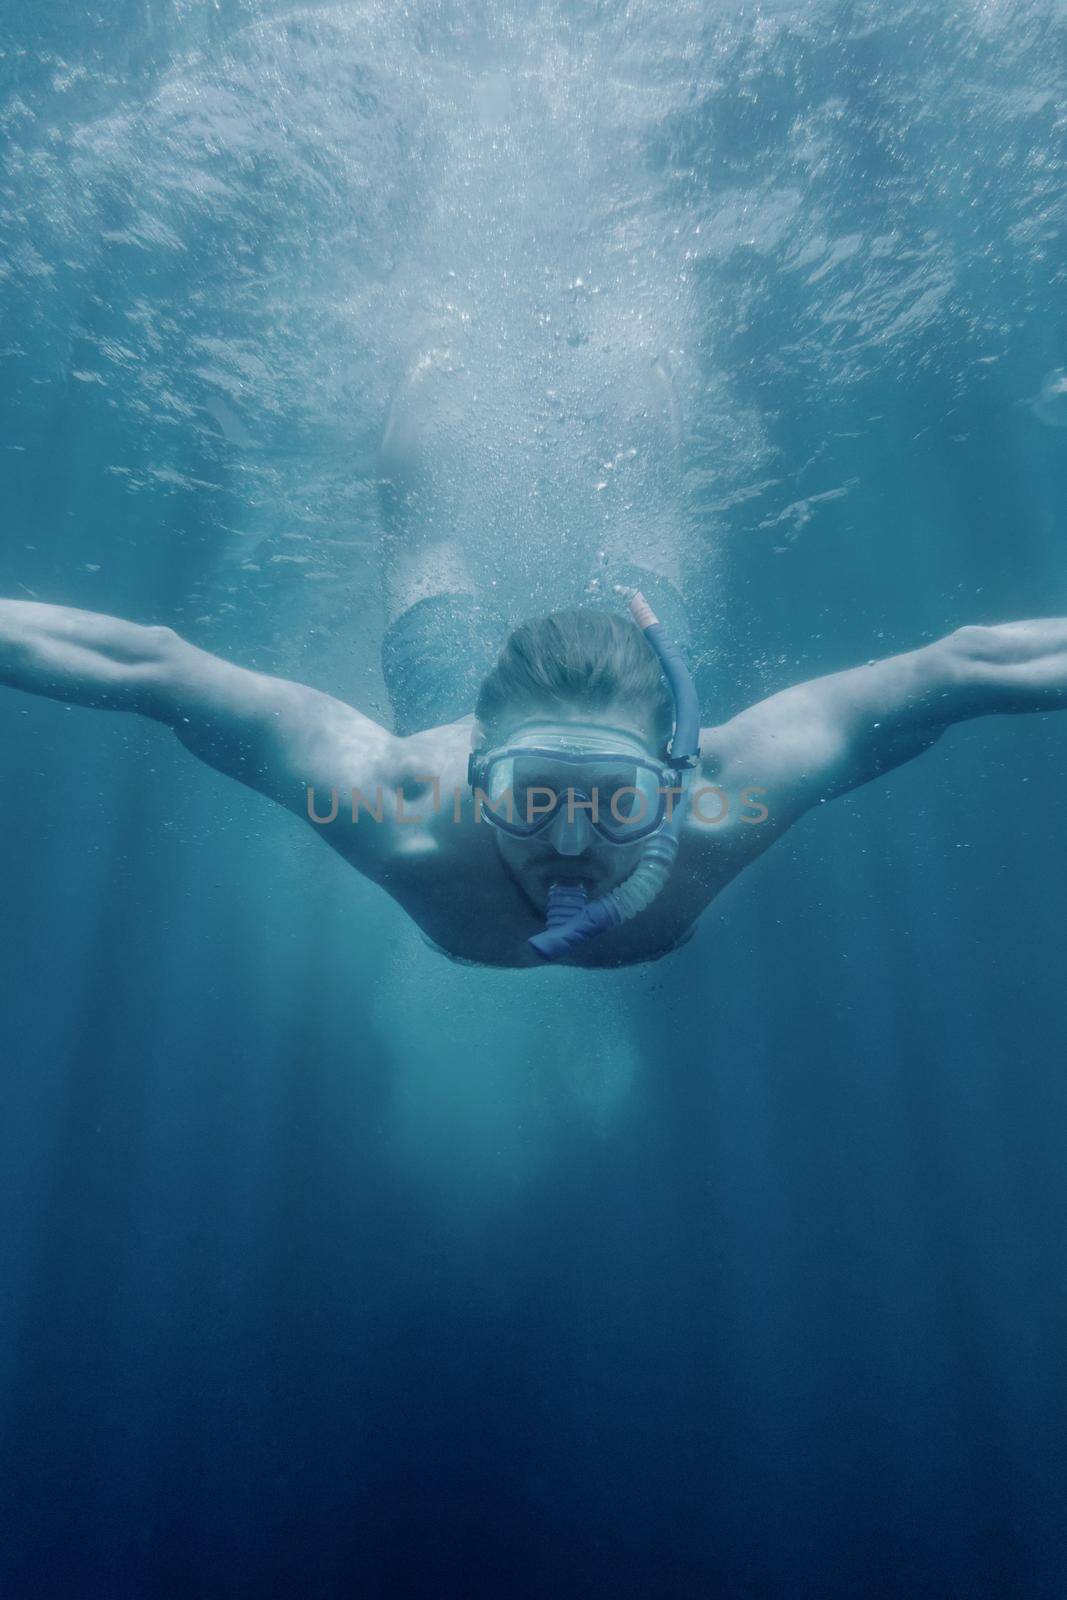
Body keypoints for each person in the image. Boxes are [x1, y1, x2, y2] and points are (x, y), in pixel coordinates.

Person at [4, 589, 1067, 969]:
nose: (568, 842)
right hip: (446, 688)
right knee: (427, 566)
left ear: (670, 772)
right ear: (473, 772)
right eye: (528, 796)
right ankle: (426, 361)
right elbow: (154, 664)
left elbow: (958, 669)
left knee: (648, 552)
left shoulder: (726, 792)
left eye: (615, 800)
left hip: (635, 691)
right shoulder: (397, 801)